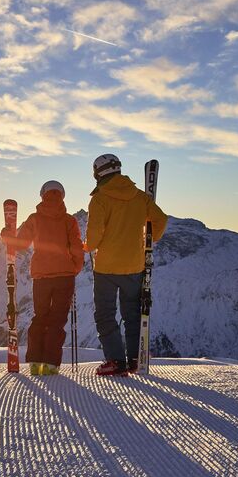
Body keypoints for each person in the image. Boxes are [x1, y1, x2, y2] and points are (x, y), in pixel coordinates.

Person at [85, 154, 168, 376]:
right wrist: (150, 240)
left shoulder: (99, 199)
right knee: (132, 314)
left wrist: (86, 247)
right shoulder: (140, 197)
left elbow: (94, 236)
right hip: (134, 265)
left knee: (105, 314)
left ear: (98, 173)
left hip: (105, 268)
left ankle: (114, 361)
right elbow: (161, 219)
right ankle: (134, 359)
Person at [1, 180, 84, 376]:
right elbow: (77, 248)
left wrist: (6, 234)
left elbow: (20, 244)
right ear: (62, 196)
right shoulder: (69, 221)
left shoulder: (34, 218)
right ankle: (50, 364)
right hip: (65, 277)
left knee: (40, 318)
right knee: (57, 321)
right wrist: (74, 268)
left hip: (41, 277)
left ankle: (35, 361)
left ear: (42, 195)